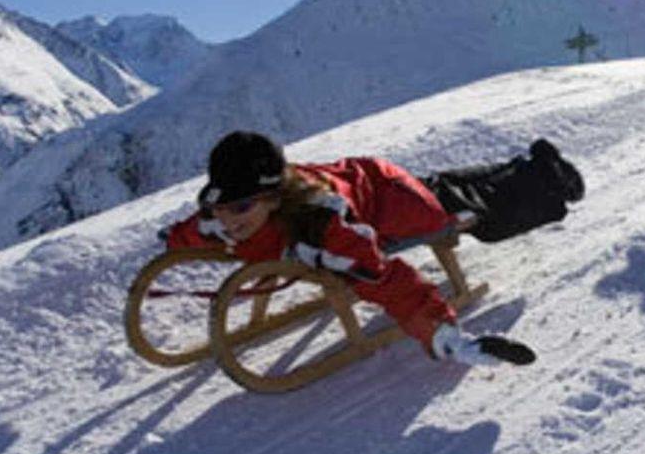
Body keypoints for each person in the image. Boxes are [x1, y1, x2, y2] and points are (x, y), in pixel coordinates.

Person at [160, 130, 585, 367]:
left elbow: (386, 280)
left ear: (273, 198)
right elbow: (200, 229)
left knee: (475, 216)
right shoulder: (228, 215)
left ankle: (549, 182)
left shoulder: (322, 227)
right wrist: (174, 241)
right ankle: (521, 165)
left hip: (394, 205)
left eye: (240, 207)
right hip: (363, 178)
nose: (227, 220)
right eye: (219, 206)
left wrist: (448, 339)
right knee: (443, 186)